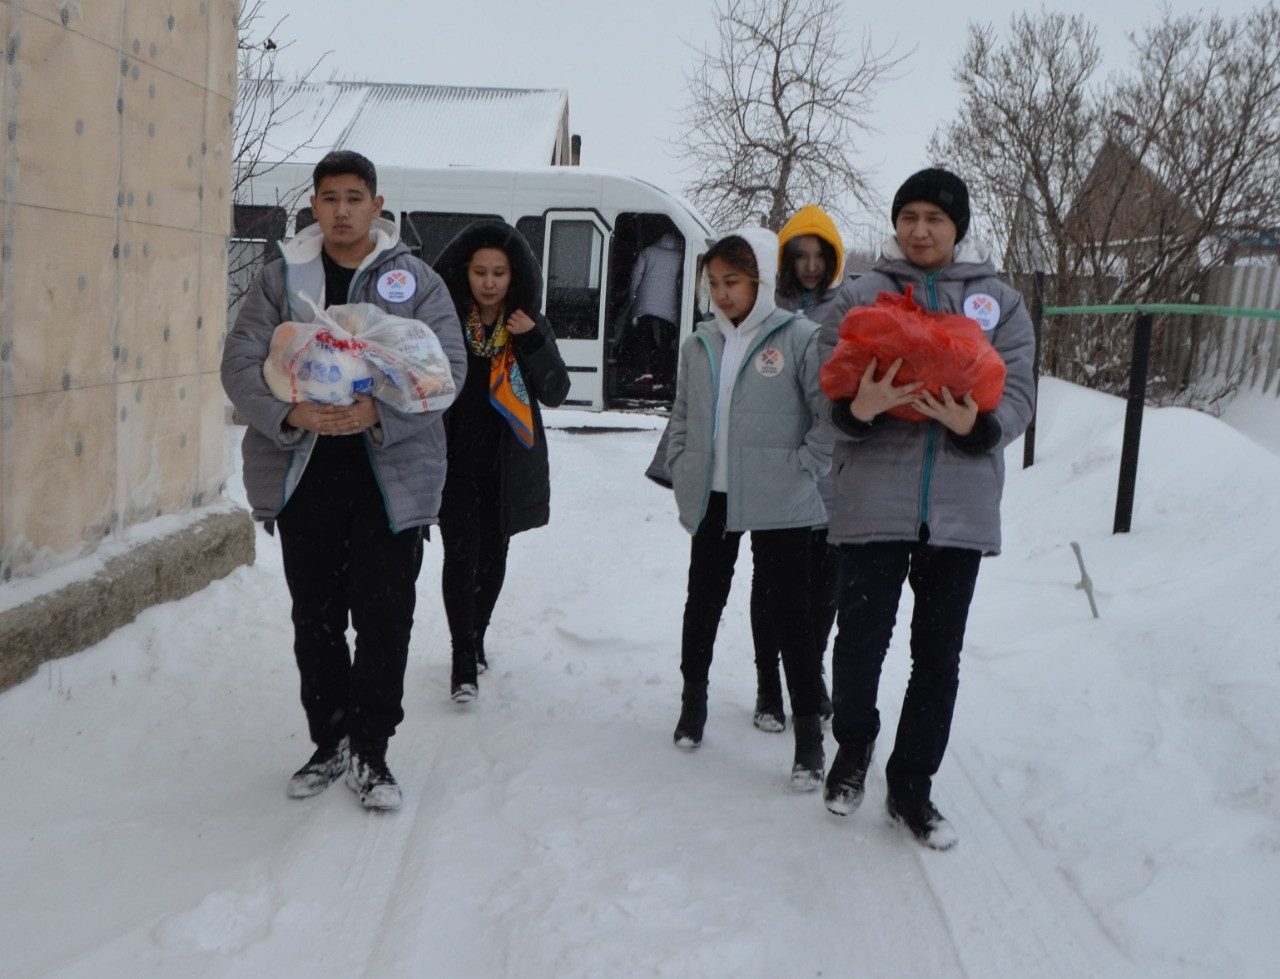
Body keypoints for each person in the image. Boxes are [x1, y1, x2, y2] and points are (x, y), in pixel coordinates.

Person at [222, 150, 467, 811]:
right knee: (318, 619)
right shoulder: (282, 280)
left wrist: (377, 410)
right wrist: (289, 411)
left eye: (354, 197)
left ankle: (373, 752)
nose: (340, 210)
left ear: (377, 206)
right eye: (328, 198)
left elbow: (447, 371)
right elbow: (240, 362)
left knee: (386, 617)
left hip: (392, 481)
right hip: (306, 474)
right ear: (314, 204)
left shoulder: (416, 282)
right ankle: (329, 741)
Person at [817, 168, 1036, 849]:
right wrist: (860, 409)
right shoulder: (858, 293)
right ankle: (853, 750)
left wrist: (976, 427)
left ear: (957, 227)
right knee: (859, 644)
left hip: (960, 509)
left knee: (937, 656)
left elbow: (1021, 392)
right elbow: (822, 388)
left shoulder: (1000, 304)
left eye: (935, 218)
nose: (920, 229)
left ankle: (912, 787)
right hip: (872, 501)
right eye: (909, 215)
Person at [666, 227, 832, 791]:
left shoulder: (799, 338)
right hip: (712, 496)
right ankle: (693, 703)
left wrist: (804, 469)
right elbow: (683, 414)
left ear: (761, 279)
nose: (721, 293)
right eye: (713, 283)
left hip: (780, 499)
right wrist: (683, 461)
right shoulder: (700, 343)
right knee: (702, 603)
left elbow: (826, 418)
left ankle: (809, 737)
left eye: (732, 281)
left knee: (795, 616)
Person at [431, 220, 570, 703]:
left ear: (514, 277)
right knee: (459, 556)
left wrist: (532, 340)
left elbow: (556, 391)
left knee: (493, 558)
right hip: (453, 467)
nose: (489, 282)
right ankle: (462, 656)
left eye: (499, 273)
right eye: (480, 272)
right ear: (464, 274)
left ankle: (479, 633)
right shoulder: (446, 324)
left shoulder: (528, 323)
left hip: (507, 470)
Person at [749, 205, 845, 733]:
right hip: (776, 466)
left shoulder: (847, 307)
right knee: (771, 584)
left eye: (819, 256)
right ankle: (769, 685)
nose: (810, 266)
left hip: (833, 472)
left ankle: (811, 675)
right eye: (800, 255)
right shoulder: (766, 307)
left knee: (824, 587)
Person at [621, 227, 683, 391]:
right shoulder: (681, 256)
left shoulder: (648, 252)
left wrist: (633, 298)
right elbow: (680, 283)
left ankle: (646, 371)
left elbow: (636, 276)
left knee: (645, 339)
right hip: (669, 311)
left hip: (645, 307)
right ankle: (661, 378)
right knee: (664, 344)